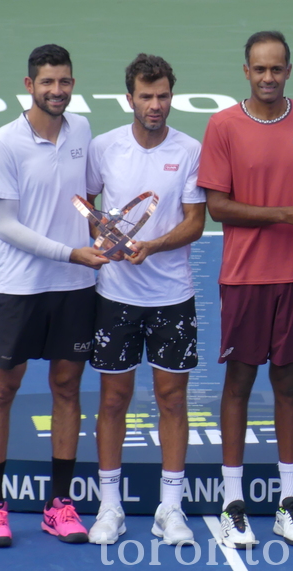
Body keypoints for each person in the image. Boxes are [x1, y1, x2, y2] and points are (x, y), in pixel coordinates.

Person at [198, 30, 293, 549]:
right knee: (238, 385)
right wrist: (284, 213)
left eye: (277, 69)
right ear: (246, 72)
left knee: (288, 386)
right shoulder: (223, 126)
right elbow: (218, 207)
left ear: (289, 71)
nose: (268, 77)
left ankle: (288, 504)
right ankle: (234, 503)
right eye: (260, 69)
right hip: (245, 278)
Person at [0, 44, 109, 547]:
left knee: (67, 390)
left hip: (76, 289)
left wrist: (101, 229)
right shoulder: (2, 143)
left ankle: (59, 505)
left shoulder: (81, 131)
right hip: (22, 287)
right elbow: (6, 225)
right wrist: (71, 253)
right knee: (2, 390)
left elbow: (85, 199)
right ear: (29, 85)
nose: (58, 91)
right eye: (48, 82)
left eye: (66, 82)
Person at [84, 54, 205, 545]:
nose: (156, 105)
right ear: (128, 98)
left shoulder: (191, 150)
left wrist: (152, 246)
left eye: (163, 96)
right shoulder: (103, 148)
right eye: (146, 96)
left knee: (172, 400)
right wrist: (106, 233)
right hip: (114, 295)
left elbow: (196, 221)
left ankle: (169, 509)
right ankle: (109, 507)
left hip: (172, 296)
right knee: (113, 400)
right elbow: (87, 205)